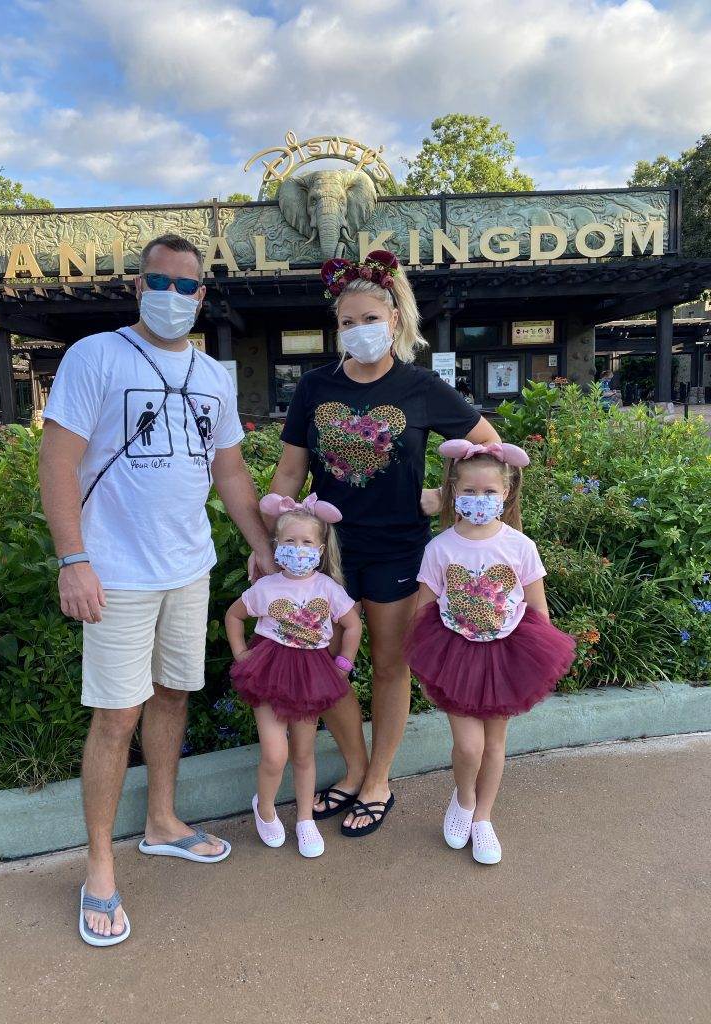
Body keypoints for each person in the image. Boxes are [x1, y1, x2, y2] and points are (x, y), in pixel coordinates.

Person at [39, 233, 276, 946]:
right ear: (138, 287)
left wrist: (260, 546)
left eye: (186, 285)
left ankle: (163, 822)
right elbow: (57, 461)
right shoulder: (96, 356)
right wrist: (71, 558)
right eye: (159, 282)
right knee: (116, 716)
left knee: (173, 694)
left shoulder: (215, 375)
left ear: (202, 295)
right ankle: (100, 867)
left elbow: (230, 473)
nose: (173, 295)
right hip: (113, 570)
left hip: (187, 566)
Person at [255, 249, 501, 838]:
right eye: (346, 321)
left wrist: (443, 498)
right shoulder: (315, 387)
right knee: (323, 662)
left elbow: (488, 450)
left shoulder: (420, 386)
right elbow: (289, 476)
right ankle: (356, 767)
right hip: (325, 554)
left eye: (369, 318)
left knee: (390, 666)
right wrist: (269, 548)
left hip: (397, 549)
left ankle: (378, 780)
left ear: (394, 320)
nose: (358, 330)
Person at [405, 440, 576, 864]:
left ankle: (483, 817)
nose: (478, 500)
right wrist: (428, 671)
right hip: (455, 655)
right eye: (469, 492)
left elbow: (538, 608)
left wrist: (537, 664)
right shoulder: (440, 548)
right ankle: (463, 799)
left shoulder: (520, 546)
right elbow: (422, 611)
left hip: (507, 653)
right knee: (469, 747)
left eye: (488, 493)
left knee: (495, 742)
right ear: (452, 492)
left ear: (506, 494)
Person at [226, 493, 362, 858]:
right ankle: (265, 807)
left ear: (320, 549)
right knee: (275, 753)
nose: (297, 550)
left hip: (311, 673)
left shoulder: (328, 589)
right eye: (289, 542)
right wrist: (241, 654)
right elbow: (234, 616)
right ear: (276, 545)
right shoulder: (266, 588)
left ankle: (305, 819)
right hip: (268, 671)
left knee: (304, 752)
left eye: (306, 543)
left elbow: (352, 625)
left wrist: (344, 664)